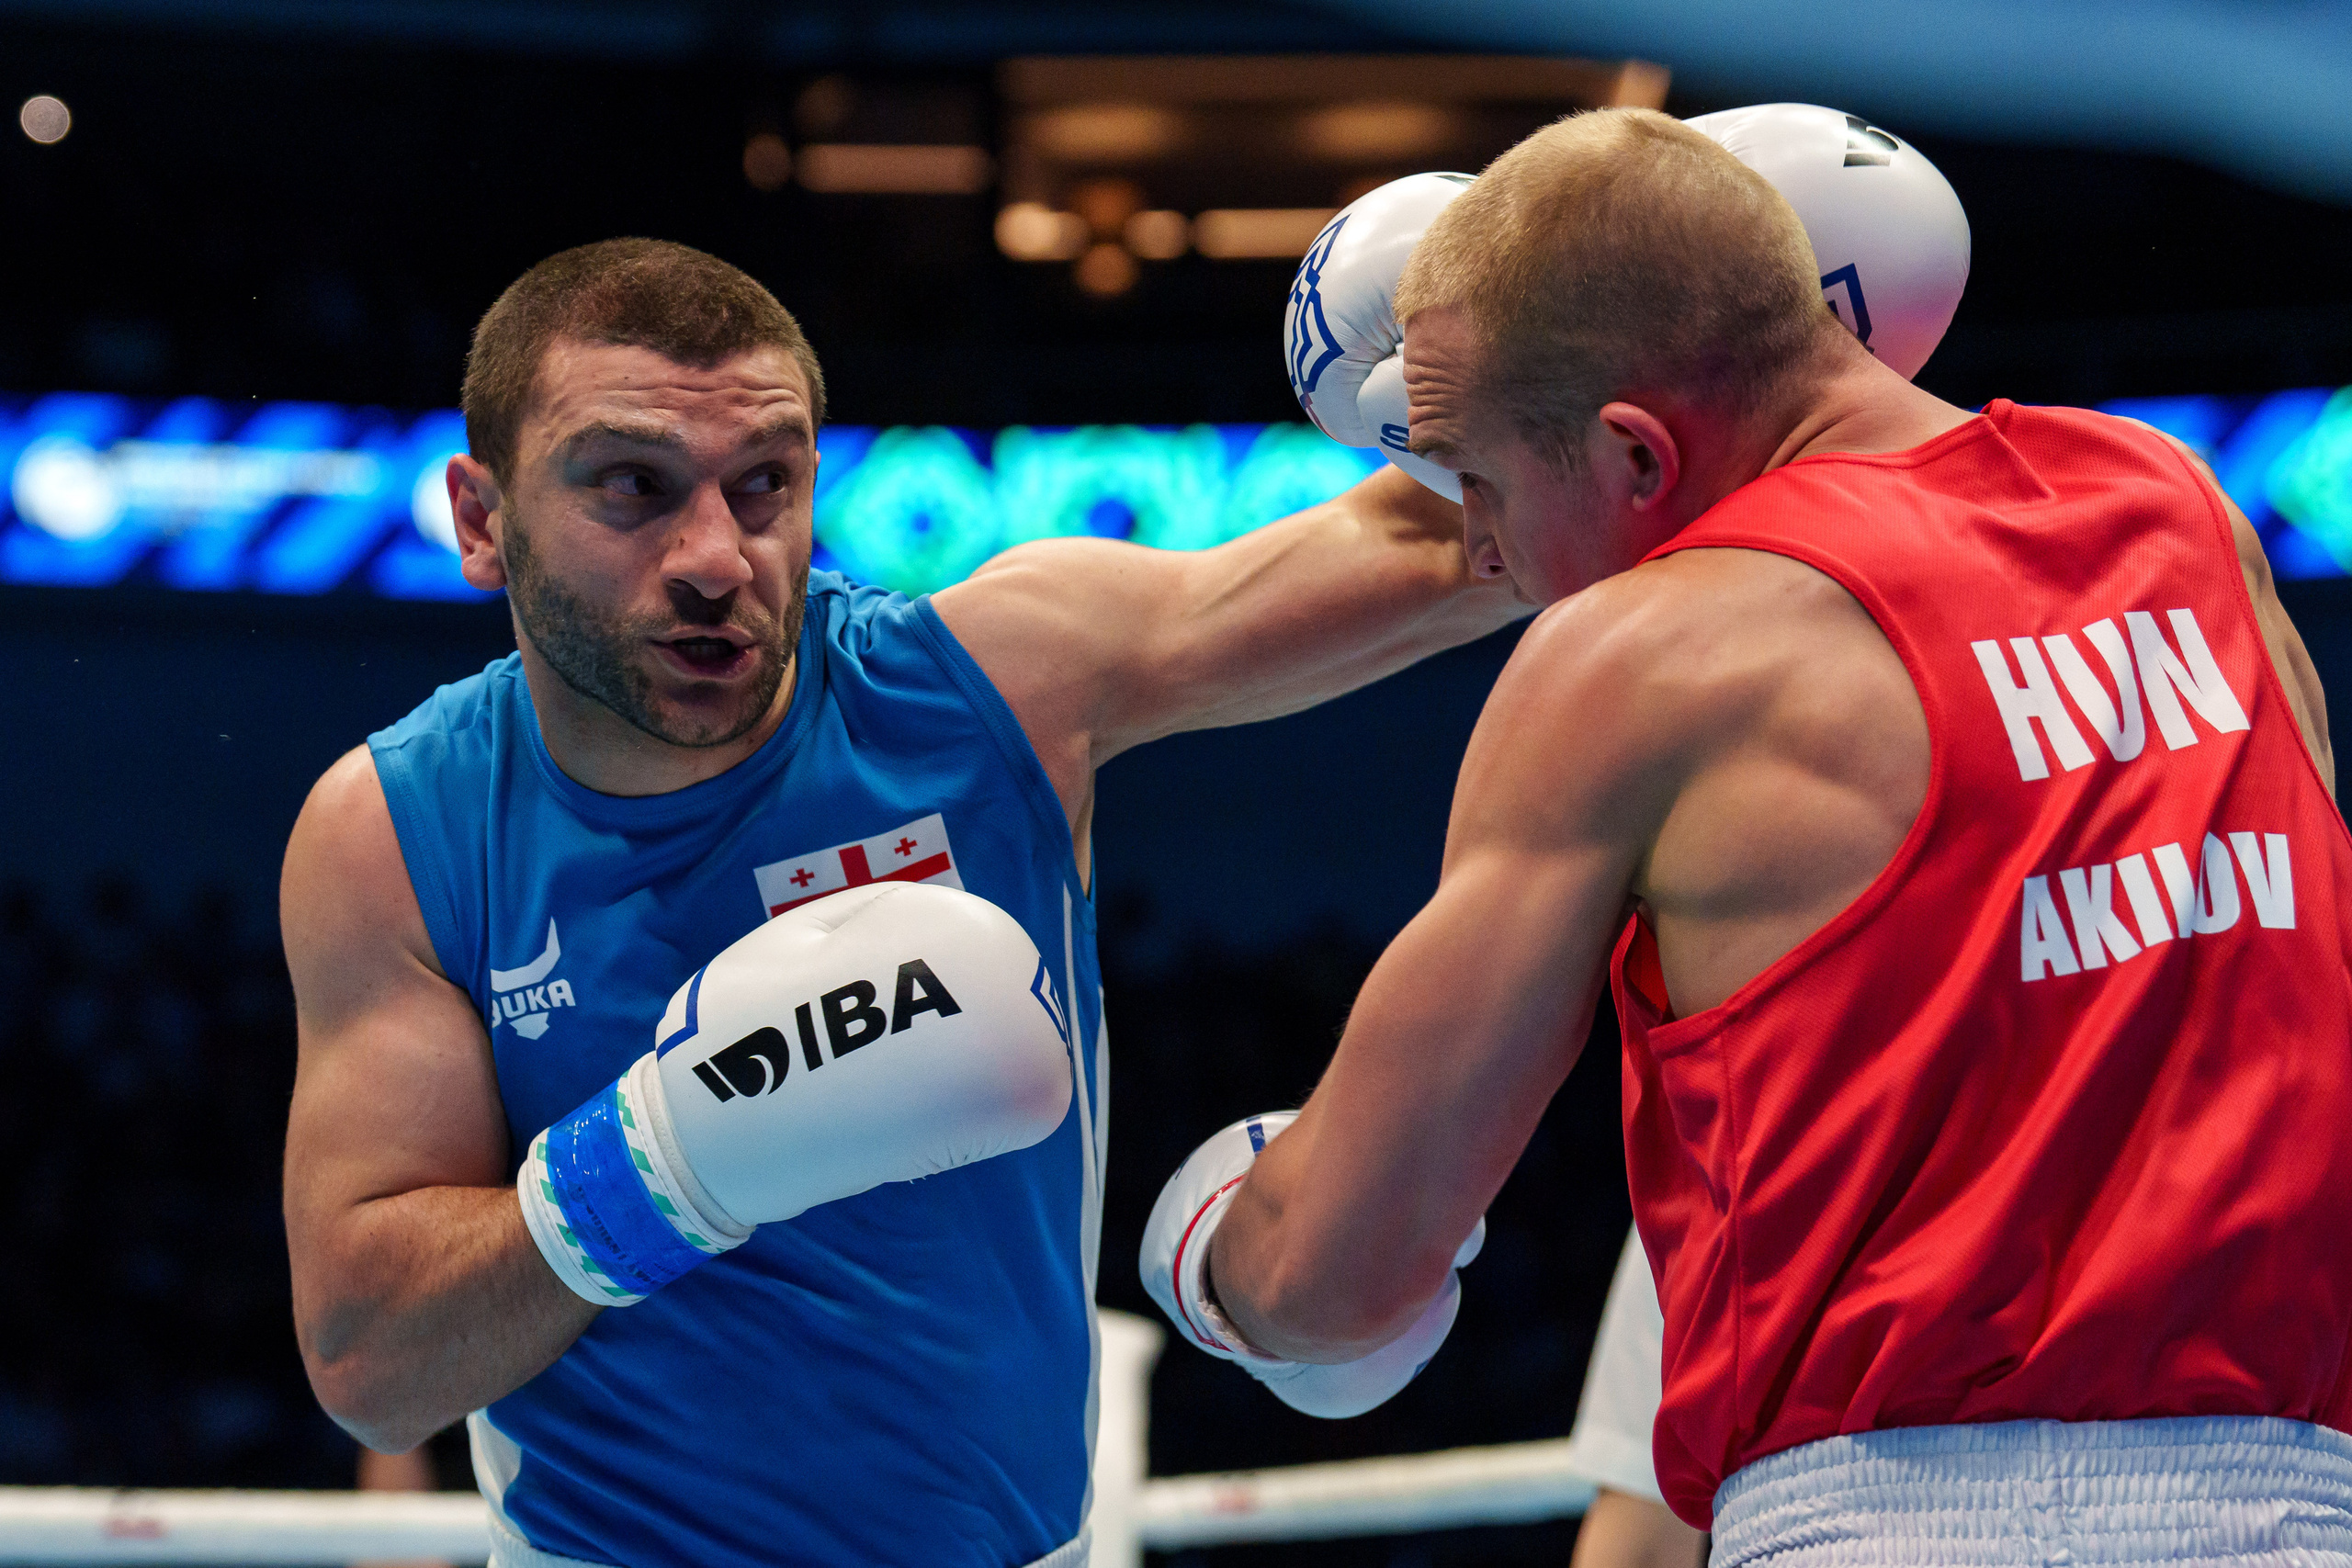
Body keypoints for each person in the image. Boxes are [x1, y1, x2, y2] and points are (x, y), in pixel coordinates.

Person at [1142, 107, 2352, 1566]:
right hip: (2302, 1509)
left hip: (1893, 1524)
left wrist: (1216, 1255)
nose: (1475, 551)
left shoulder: (1638, 655)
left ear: (1637, 455)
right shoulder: (2182, 513)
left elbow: (1334, 1279)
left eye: (1477, 479)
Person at [279, 236, 1523, 1568]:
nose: (715, 556)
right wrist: (661, 1167)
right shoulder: (398, 831)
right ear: (483, 521)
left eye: (764, 484)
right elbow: (373, 1367)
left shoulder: (990, 687)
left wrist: (1557, 344)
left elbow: (1480, 541)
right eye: (634, 486)